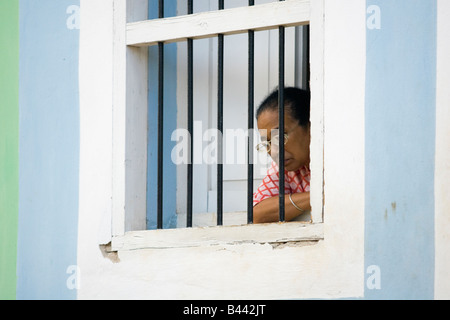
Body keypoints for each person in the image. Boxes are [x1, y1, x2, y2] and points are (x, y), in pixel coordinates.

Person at [253, 87, 311, 224]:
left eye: (278, 137)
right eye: (267, 143)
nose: (273, 151)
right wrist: (316, 197)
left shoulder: (337, 157)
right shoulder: (285, 165)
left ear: (310, 125)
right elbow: (257, 215)